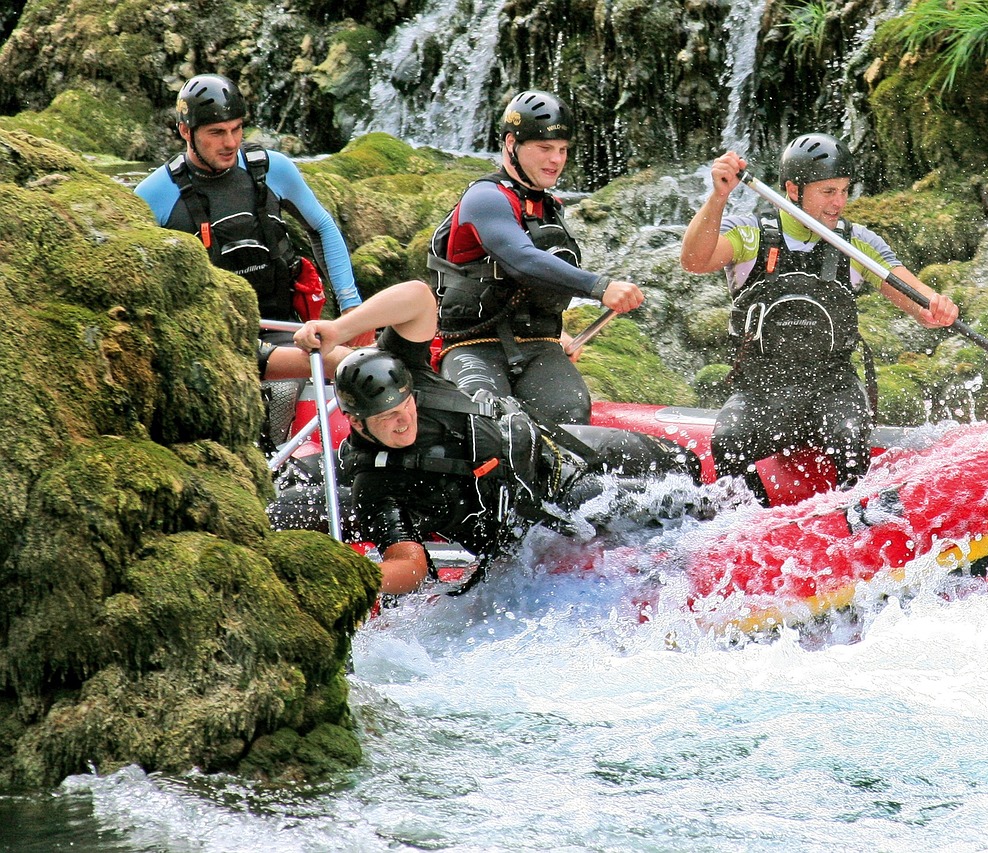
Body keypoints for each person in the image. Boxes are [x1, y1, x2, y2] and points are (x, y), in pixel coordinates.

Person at [291, 280, 698, 595]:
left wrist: (339, 328)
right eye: (386, 419)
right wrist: (355, 579)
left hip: (552, 447)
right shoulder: (377, 485)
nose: (403, 422)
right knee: (676, 509)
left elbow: (417, 296)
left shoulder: (410, 372)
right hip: (543, 511)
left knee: (684, 464)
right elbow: (410, 564)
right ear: (357, 424)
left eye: (405, 408)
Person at [680, 133, 959, 502]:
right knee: (729, 441)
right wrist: (718, 198)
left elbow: (920, 304)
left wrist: (938, 306)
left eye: (844, 191)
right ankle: (750, 525)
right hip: (762, 390)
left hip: (833, 388)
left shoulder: (857, 243)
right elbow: (694, 261)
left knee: (848, 436)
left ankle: (857, 522)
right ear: (793, 189)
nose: (839, 203)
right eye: (828, 192)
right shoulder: (750, 233)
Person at [134, 72, 373, 384]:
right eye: (217, 132)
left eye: (236, 129)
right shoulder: (154, 195)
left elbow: (323, 228)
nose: (231, 142)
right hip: (214, 341)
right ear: (185, 131)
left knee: (359, 368)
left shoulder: (272, 169)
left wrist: (350, 306)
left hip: (285, 330)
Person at [428, 89, 644, 425]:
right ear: (511, 144)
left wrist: (559, 336)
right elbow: (523, 260)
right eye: (544, 148)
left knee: (572, 415)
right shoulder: (485, 198)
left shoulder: (549, 207)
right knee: (490, 420)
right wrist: (600, 286)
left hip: (538, 346)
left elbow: (536, 285)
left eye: (562, 150)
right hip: (472, 346)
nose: (556, 159)